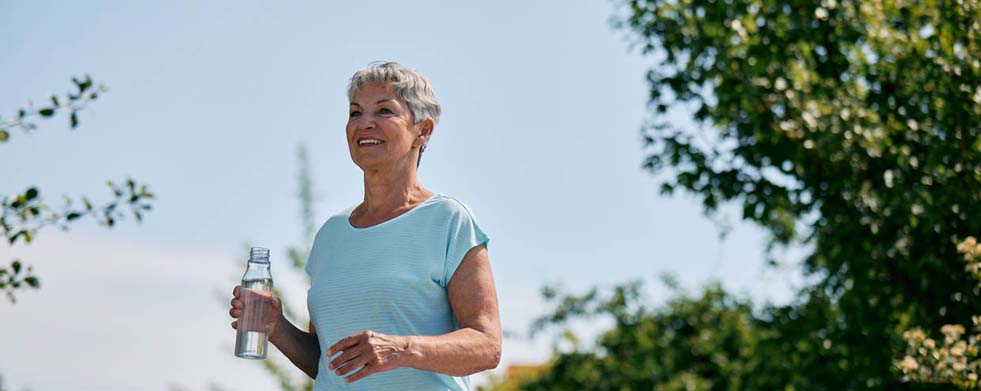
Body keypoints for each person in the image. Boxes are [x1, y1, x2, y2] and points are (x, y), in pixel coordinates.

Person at [228, 62, 501, 390]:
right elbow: (330, 364)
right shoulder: (332, 234)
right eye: (355, 113)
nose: (364, 123)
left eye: (384, 111)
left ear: (423, 130)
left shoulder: (448, 220)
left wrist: (401, 349)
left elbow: (487, 345)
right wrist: (277, 328)